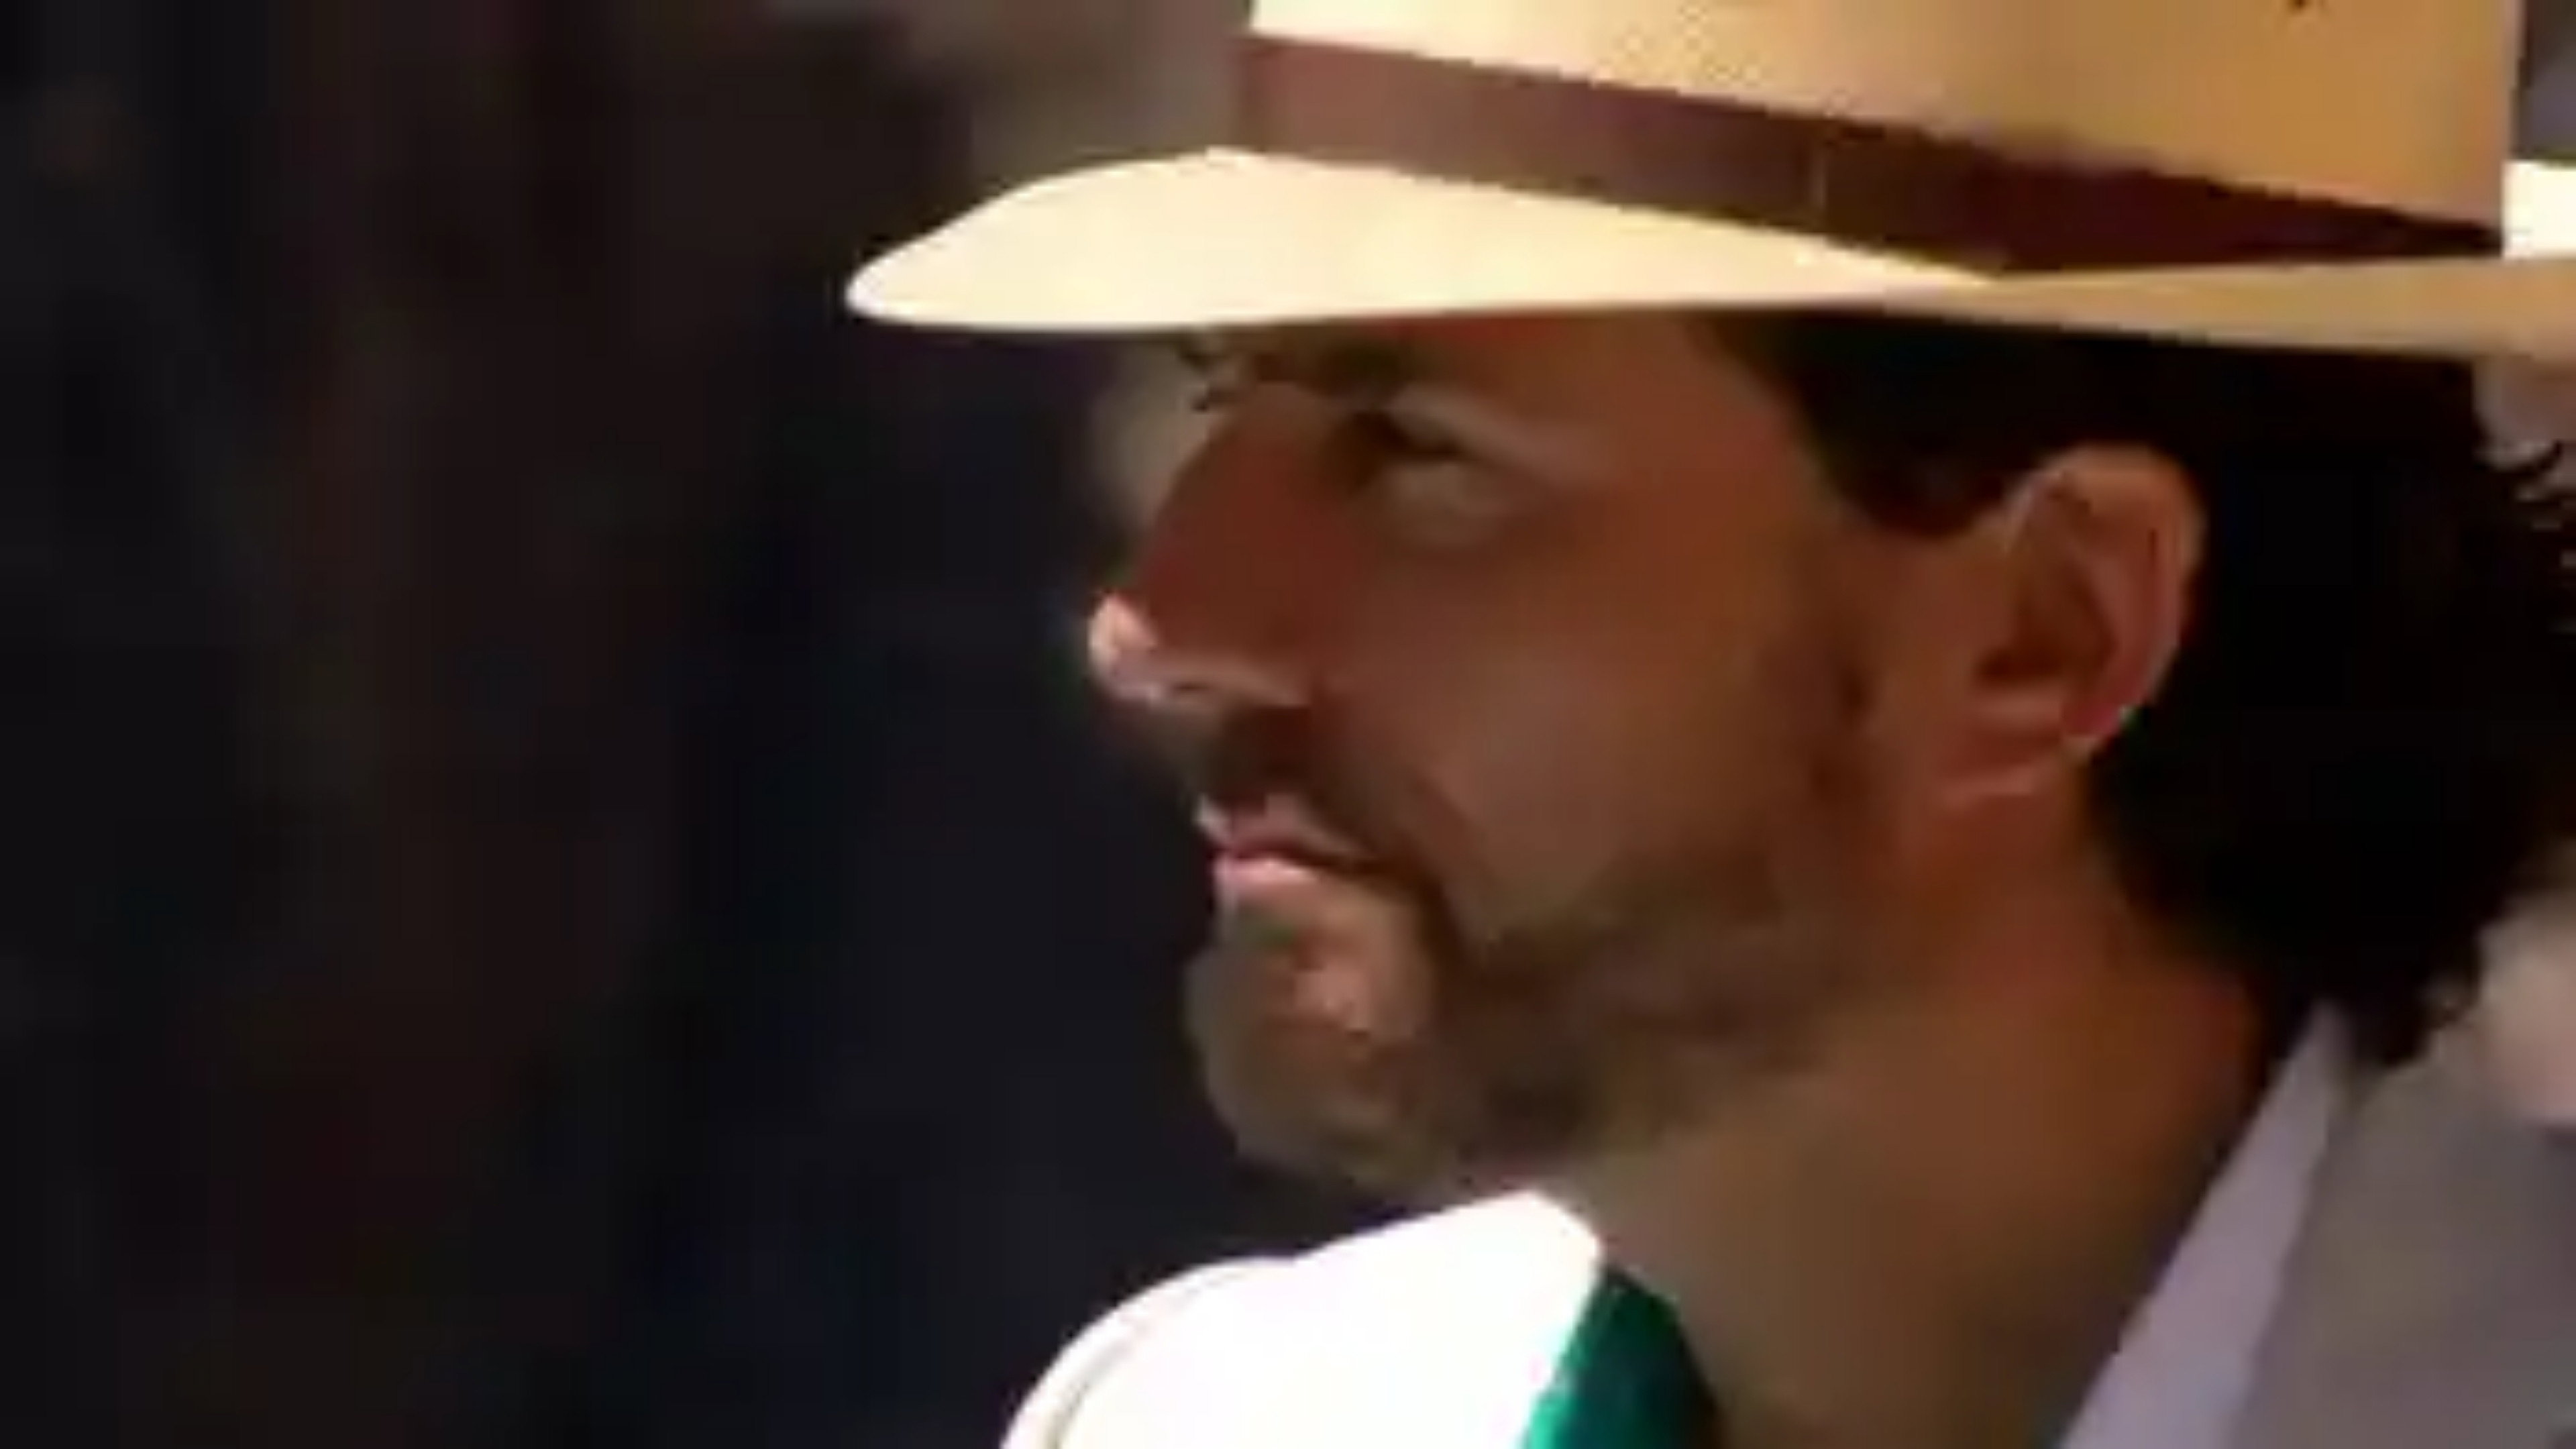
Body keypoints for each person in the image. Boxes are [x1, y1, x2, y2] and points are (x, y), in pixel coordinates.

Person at [849, 1, 2576, 1446]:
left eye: (1417, 454)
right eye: (1228, 398)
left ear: (2045, 631)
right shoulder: (1224, 1416)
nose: (1161, 628)